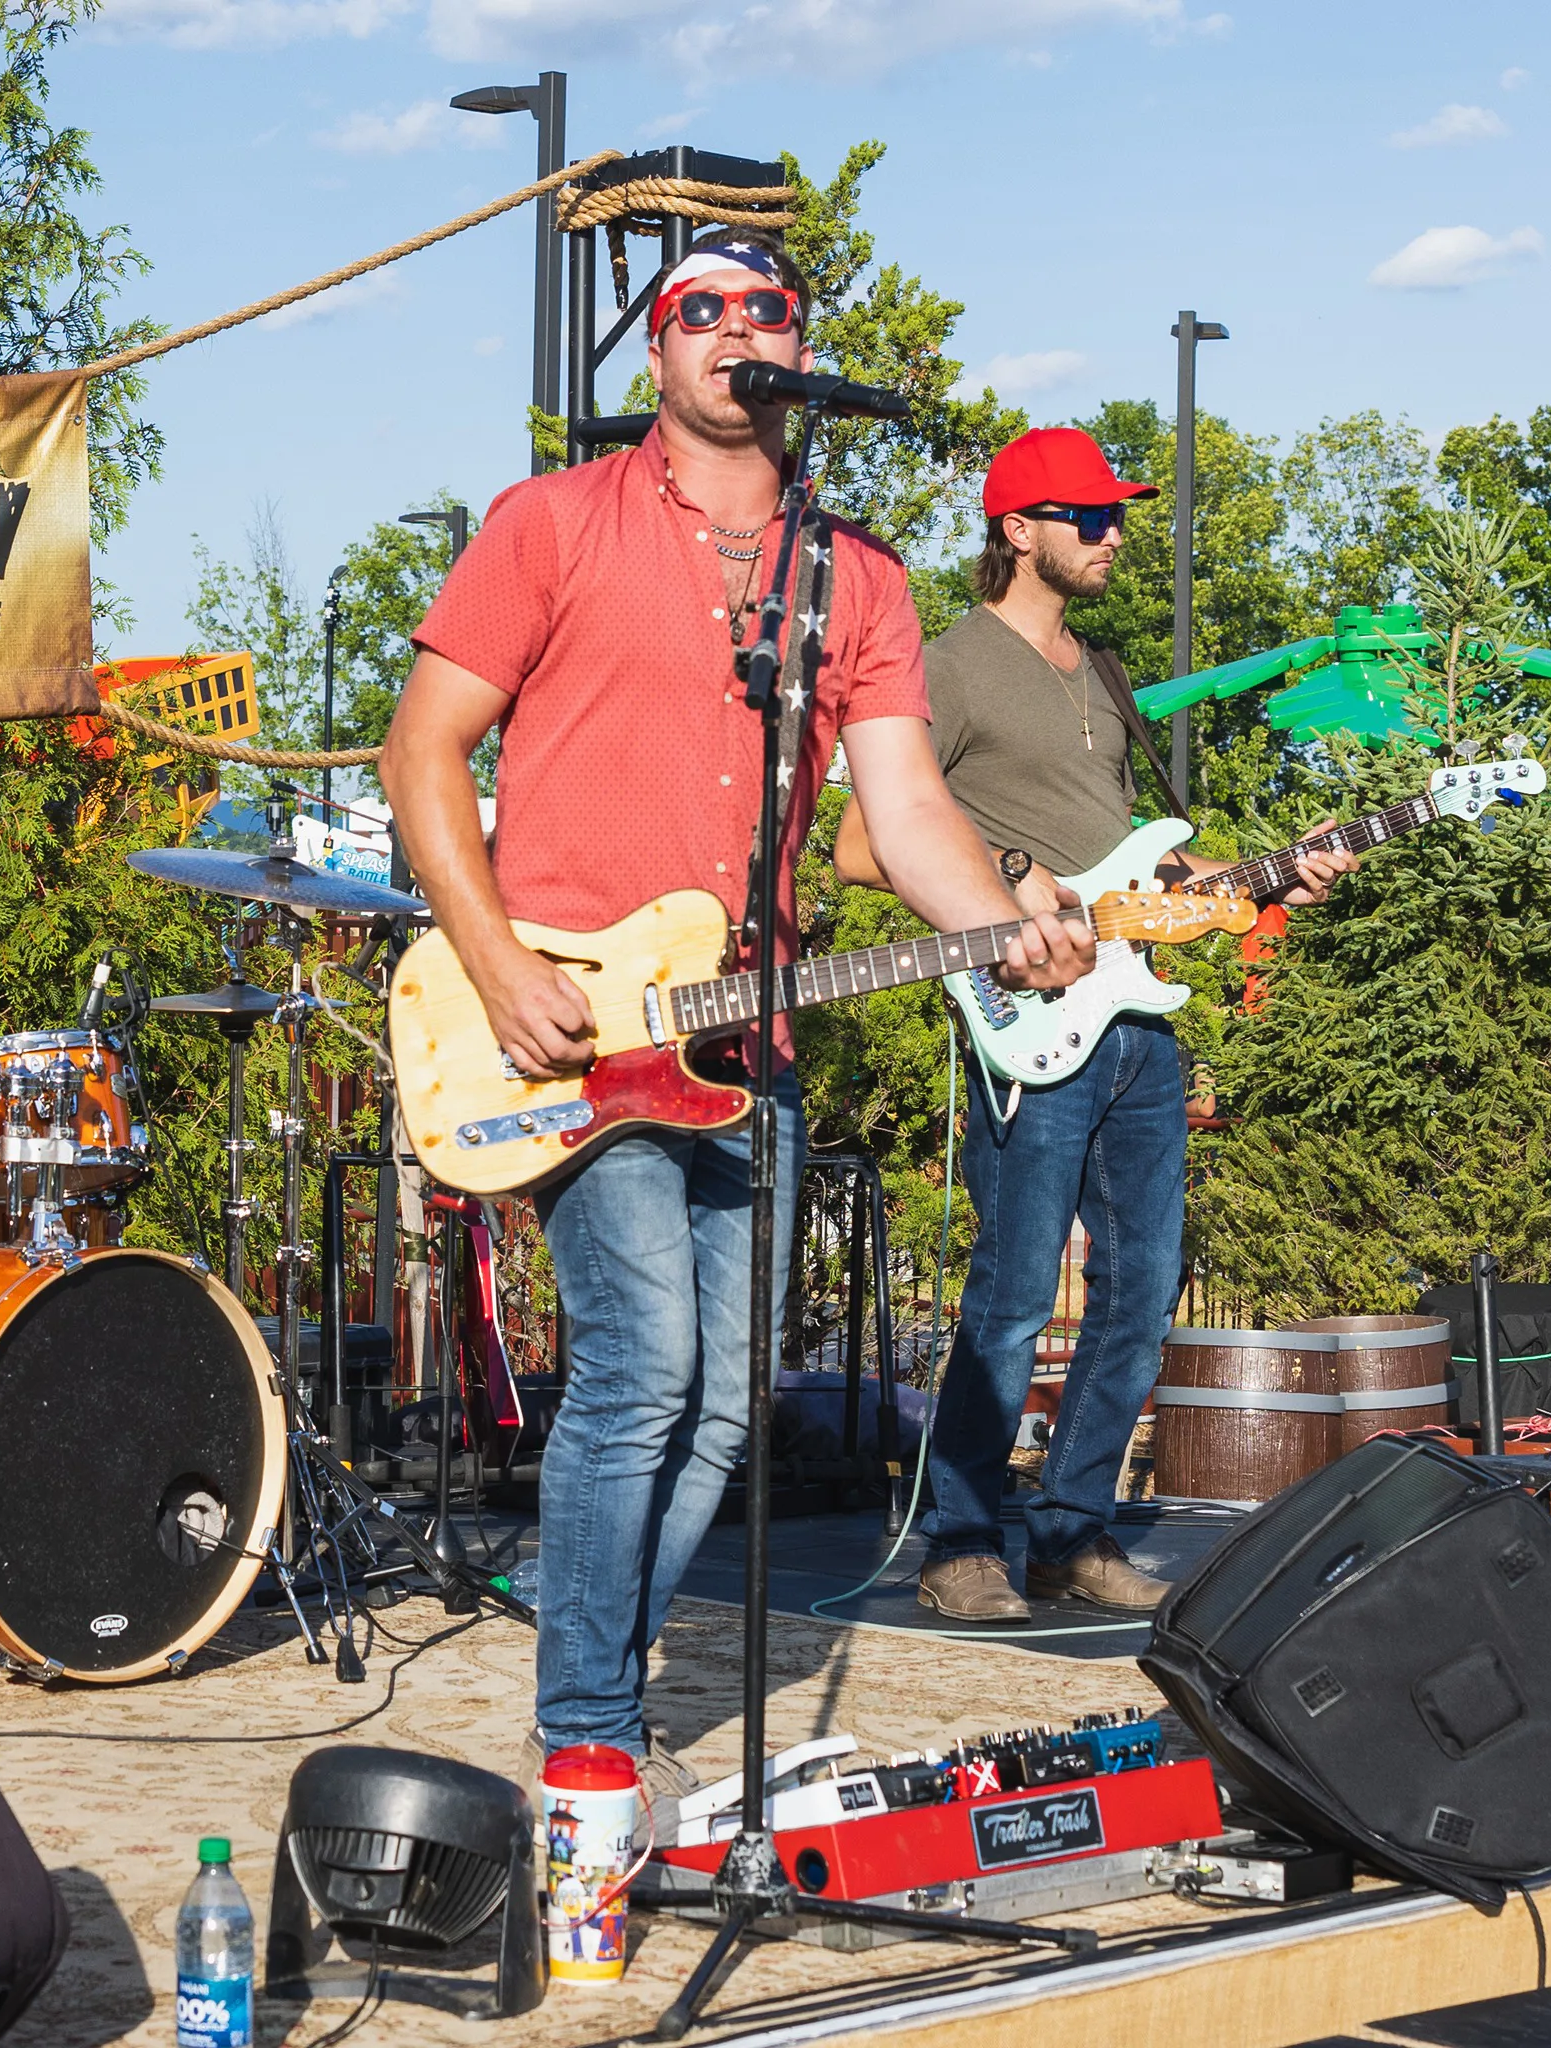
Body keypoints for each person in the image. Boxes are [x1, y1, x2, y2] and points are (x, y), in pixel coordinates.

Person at [380, 230, 1080, 1794]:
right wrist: (499, 961)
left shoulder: (862, 577)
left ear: (796, 347)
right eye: (698, 310)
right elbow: (420, 751)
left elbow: (903, 813)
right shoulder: (552, 523)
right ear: (656, 355)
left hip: (739, 1038)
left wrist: (1004, 925)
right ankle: (589, 1739)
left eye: (763, 309)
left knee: (722, 1402)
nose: (732, 331)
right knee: (640, 1364)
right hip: (563, 1020)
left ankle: (602, 1667)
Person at [845, 428, 1350, 1625]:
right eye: (1089, 516)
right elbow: (865, 846)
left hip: (1133, 1017)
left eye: (1116, 514)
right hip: (1026, 1015)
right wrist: (1010, 873)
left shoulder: (1105, 673)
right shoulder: (953, 664)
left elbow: (1132, 865)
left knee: (1141, 1290)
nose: (1113, 533)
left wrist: (1270, 873)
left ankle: (1073, 1532)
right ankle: (961, 1540)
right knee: (1015, 1294)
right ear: (1017, 530)